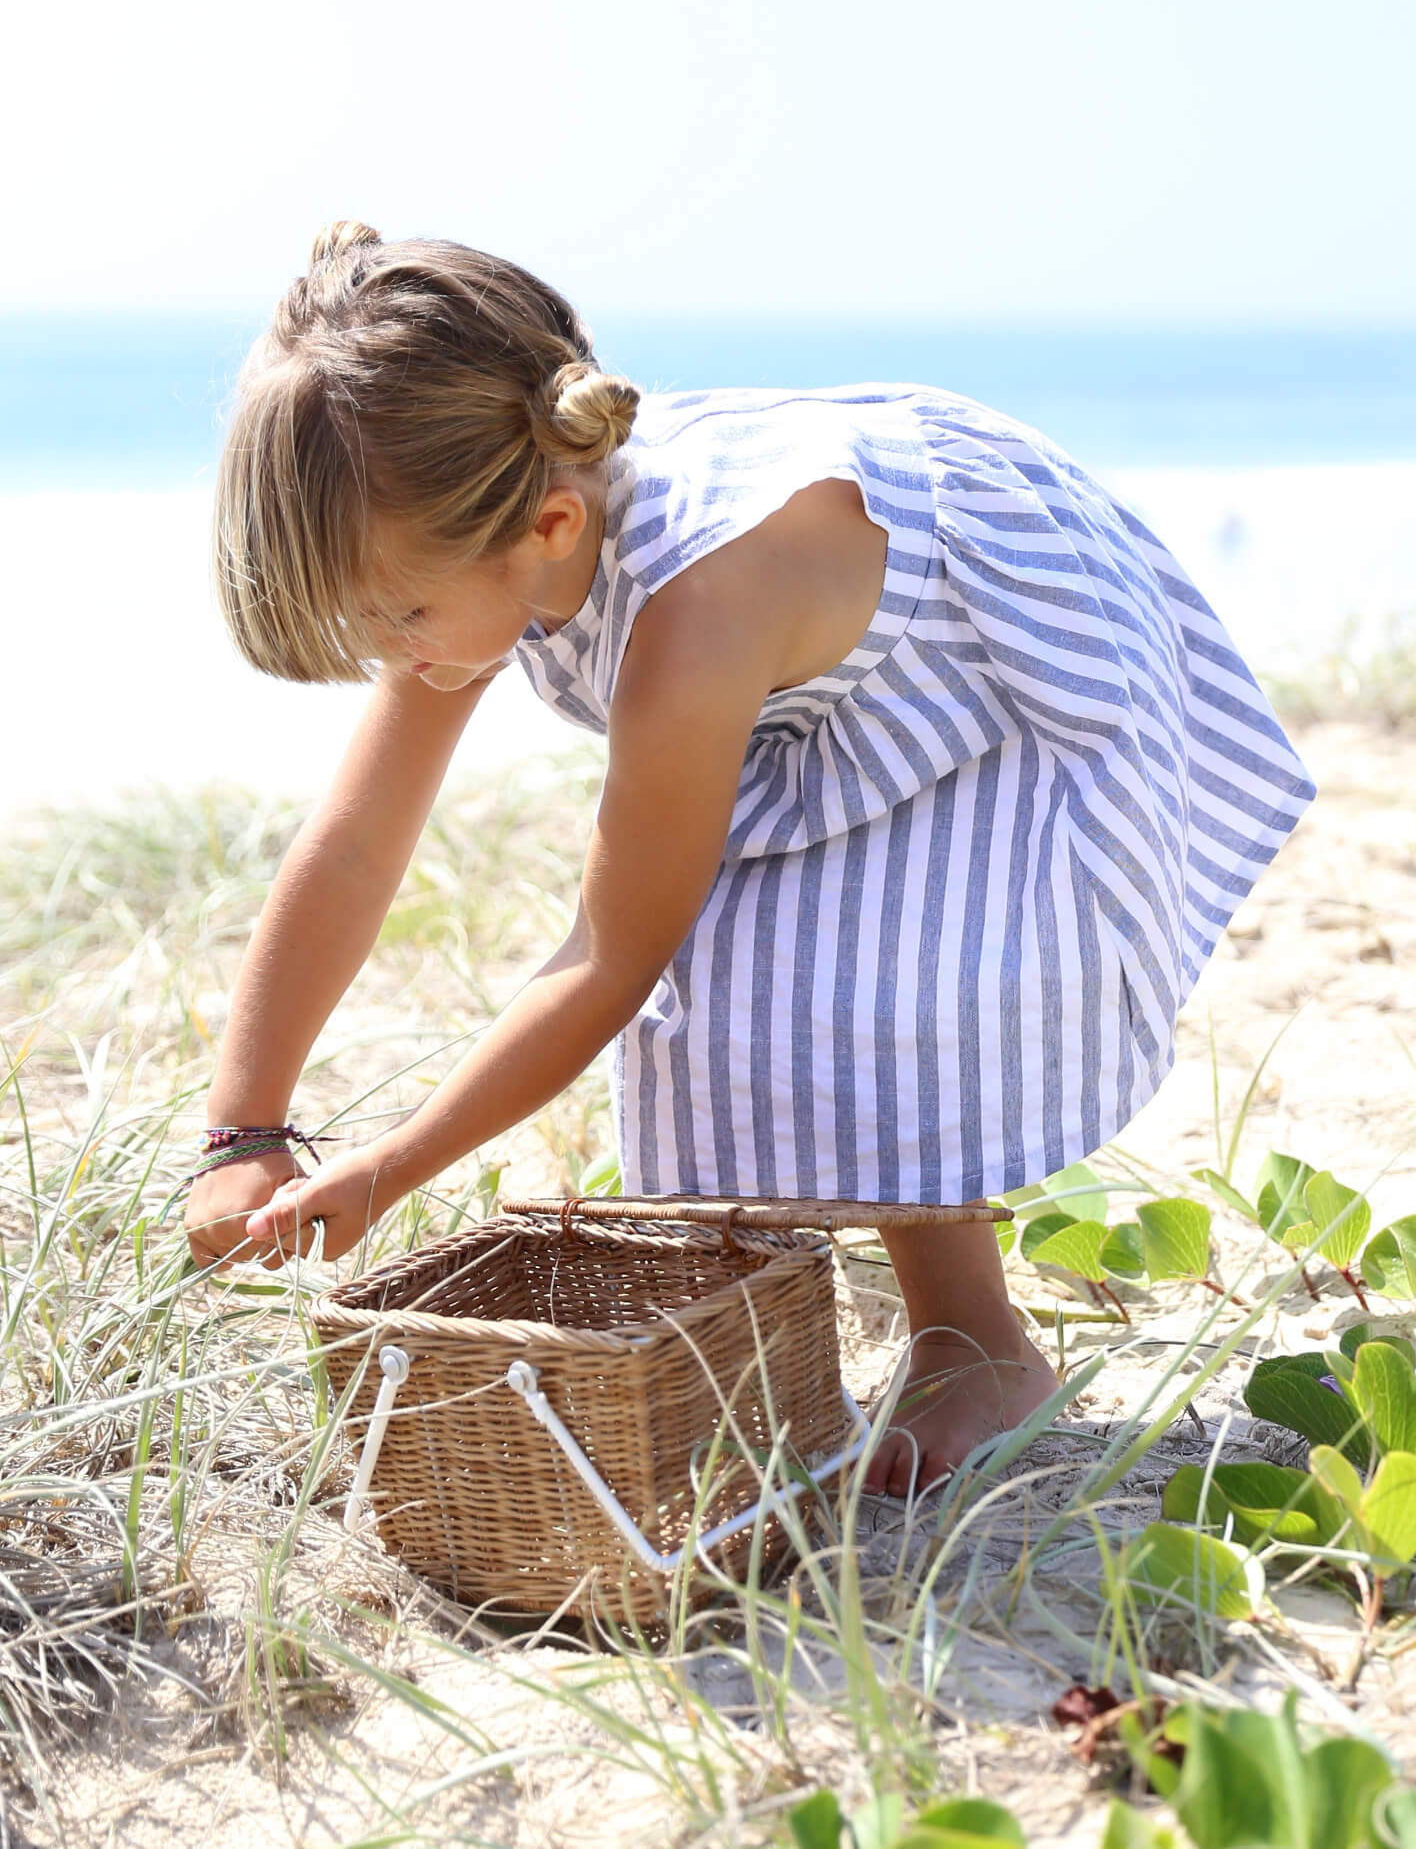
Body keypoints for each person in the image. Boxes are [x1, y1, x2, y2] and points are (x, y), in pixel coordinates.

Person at [187, 222, 1315, 1493]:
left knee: (849, 980)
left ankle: (977, 1344)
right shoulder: (484, 528)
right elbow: (356, 843)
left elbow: (612, 956)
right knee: (743, 974)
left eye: (398, 615)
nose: (391, 650)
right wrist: (244, 1130)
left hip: (988, 666)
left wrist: (390, 1170)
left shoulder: (696, 610)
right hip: (816, 678)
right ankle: (862, 1322)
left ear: (550, 522)